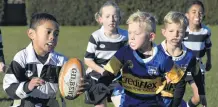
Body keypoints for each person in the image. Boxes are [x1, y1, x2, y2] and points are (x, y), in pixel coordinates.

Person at [98, 10, 184, 107]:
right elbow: (109, 72)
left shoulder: (162, 59)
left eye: (137, 34)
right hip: (127, 103)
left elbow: (180, 82)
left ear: (151, 36)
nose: (132, 37)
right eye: (130, 33)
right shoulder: (124, 52)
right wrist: (101, 84)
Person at [3, 13, 84, 107]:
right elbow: (8, 86)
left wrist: (80, 85)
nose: (53, 37)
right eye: (48, 32)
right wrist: (27, 86)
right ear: (31, 34)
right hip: (25, 104)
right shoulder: (22, 57)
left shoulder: (61, 61)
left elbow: (70, 84)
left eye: (56, 34)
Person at [84, 1, 128, 107]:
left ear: (119, 18)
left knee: (123, 104)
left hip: (117, 77)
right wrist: (102, 71)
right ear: (100, 19)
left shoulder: (126, 36)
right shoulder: (96, 36)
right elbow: (87, 60)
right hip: (97, 77)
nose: (112, 19)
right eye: (107, 16)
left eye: (115, 16)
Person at [158, 11, 206, 107]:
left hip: (176, 100)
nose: (175, 35)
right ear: (164, 32)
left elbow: (197, 75)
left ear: (185, 34)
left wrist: (202, 94)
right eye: (171, 31)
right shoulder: (155, 52)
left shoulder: (189, 56)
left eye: (179, 31)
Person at [183, 1, 212, 106]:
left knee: (199, 96)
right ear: (187, 15)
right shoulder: (181, 31)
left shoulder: (206, 31)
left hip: (197, 68)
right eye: (194, 12)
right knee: (171, 96)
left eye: (200, 13)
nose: (197, 15)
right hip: (180, 68)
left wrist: (209, 61)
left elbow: (208, 47)